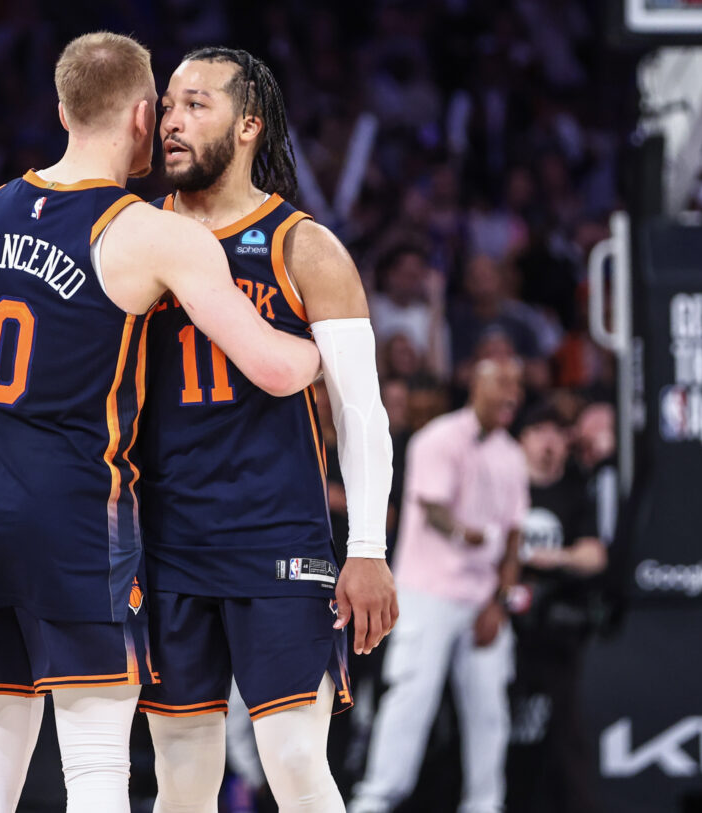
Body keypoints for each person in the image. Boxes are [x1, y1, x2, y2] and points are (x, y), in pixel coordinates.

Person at [0, 32, 321, 813]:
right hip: (77, 526)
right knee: (99, 769)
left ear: (64, 107)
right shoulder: (148, 231)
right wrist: (321, 351)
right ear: (143, 116)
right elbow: (272, 368)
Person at [138, 47, 397, 812]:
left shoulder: (303, 246)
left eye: (196, 104)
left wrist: (369, 549)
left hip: (276, 533)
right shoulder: (134, 237)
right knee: (180, 776)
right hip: (165, 538)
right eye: (169, 105)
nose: (172, 122)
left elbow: (361, 411)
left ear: (249, 125)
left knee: (294, 761)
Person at [350, 358, 528, 813]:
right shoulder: (438, 439)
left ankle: (485, 805)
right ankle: (376, 800)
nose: (512, 394)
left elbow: (513, 537)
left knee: (490, 714)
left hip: (482, 600)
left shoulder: (512, 454)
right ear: (477, 388)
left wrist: (501, 601)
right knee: (410, 703)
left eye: (516, 387)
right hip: (427, 593)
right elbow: (432, 509)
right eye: (502, 384)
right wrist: (467, 534)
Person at [504, 405, 605, 813]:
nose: (548, 441)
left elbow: (596, 554)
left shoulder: (574, 492)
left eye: (557, 433)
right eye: (538, 430)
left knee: (564, 737)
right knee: (496, 730)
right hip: (500, 628)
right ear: (521, 441)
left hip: (556, 630)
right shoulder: (503, 488)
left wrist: (557, 558)